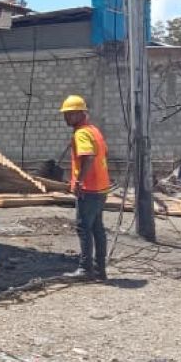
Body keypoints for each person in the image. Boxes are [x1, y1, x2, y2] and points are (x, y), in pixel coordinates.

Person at [60, 95, 111, 280]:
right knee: (97, 227)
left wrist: (79, 181)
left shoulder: (81, 133)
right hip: (101, 188)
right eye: (65, 114)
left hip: (89, 189)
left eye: (70, 114)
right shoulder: (94, 131)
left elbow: (88, 157)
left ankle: (85, 269)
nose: (66, 118)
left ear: (81, 113)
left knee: (83, 228)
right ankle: (100, 269)